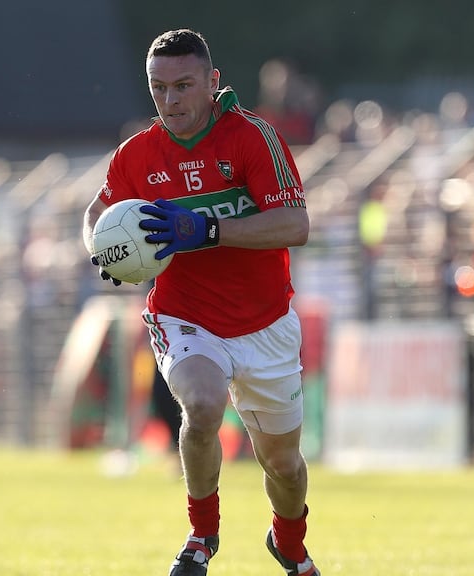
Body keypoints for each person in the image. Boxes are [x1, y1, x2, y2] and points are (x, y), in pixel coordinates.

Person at [82, 29, 319, 576]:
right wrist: (101, 249)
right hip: (184, 313)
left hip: (265, 323)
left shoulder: (255, 137)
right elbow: (97, 213)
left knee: (282, 464)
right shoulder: (137, 154)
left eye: (183, 86)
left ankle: (289, 541)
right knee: (204, 404)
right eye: (158, 88)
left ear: (212, 83)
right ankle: (201, 536)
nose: (170, 101)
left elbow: (295, 224)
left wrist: (207, 229)